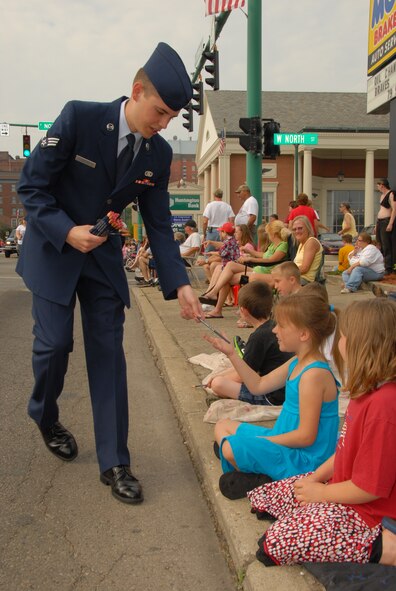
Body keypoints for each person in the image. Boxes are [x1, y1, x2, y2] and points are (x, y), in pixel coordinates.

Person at [16, 42, 202, 505]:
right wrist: (66, 230)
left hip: (102, 261)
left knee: (109, 354)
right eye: (159, 112)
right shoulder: (79, 118)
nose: (163, 125)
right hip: (56, 249)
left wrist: (179, 282)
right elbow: (31, 187)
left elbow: (159, 224)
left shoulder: (156, 156)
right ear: (137, 91)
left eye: (171, 118)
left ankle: (115, 461)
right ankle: (44, 413)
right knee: (54, 345)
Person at [248, 298, 396, 567]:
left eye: (344, 337)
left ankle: (384, 547)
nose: (339, 342)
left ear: (361, 344)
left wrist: (322, 494)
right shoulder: (366, 390)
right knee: (266, 497)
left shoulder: (385, 405)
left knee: (274, 545)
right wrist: (315, 480)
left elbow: (369, 488)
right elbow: (343, 452)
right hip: (343, 490)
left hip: (369, 511)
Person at [204, 290, 340, 496]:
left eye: (282, 325)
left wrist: (263, 441)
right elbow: (258, 385)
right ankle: (255, 468)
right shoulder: (297, 361)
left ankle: (265, 479)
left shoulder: (314, 375)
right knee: (223, 424)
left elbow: (305, 437)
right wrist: (232, 354)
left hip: (304, 459)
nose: (275, 330)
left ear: (303, 334)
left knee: (229, 448)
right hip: (284, 440)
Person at [207, 282, 292, 406]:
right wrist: (219, 374)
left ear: (243, 311)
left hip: (272, 396)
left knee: (218, 384)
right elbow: (246, 366)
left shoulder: (259, 336)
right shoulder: (272, 325)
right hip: (284, 388)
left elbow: (243, 375)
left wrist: (216, 379)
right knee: (220, 378)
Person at [199, 220, 290, 317]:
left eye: (268, 233)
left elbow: (272, 260)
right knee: (228, 268)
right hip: (258, 270)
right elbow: (264, 255)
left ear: (273, 233)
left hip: (264, 273)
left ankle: (215, 300)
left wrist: (250, 259)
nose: (267, 235)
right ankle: (214, 298)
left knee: (227, 273)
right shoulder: (273, 245)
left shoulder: (283, 245)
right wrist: (249, 251)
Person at [292, 215, 323, 284]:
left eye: (300, 228)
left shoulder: (311, 242)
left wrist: (286, 273)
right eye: (294, 229)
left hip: (305, 281)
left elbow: (304, 268)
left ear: (308, 228)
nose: (297, 231)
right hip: (297, 277)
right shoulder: (301, 244)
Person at [202, 188, 235, 253]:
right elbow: (231, 221)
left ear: (214, 195)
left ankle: (207, 262)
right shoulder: (227, 206)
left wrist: (204, 234)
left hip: (212, 231)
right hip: (224, 232)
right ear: (222, 196)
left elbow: (205, 221)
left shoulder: (210, 205)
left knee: (209, 251)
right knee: (223, 251)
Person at [376, 178, 396, 276]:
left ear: (382, 185)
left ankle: (389, 267)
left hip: (386, 221)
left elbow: (394, 209)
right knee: (380, 243)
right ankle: (382, 265)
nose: (378, 187)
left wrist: (390, 223)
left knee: (386, 244)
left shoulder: (391, 194)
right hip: (380, 222)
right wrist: (376, 225)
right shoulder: (381, 196)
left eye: (378, 185)